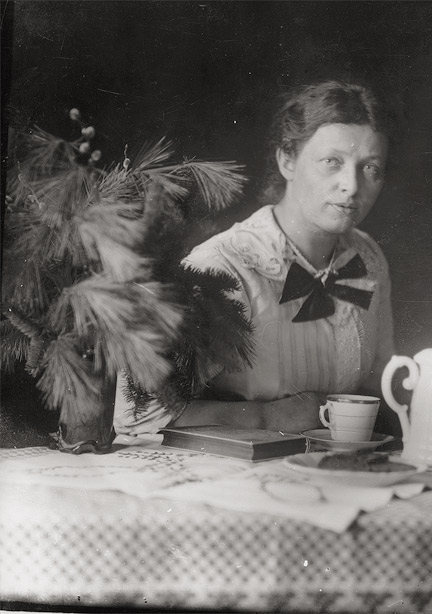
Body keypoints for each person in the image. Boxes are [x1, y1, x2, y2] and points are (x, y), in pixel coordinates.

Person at [115, 79, 396, 435]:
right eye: (332, 162)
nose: (352, 186)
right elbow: (136, 414)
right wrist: (268, 418)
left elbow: (377, 383)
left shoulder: (368, 259)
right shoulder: (227, 266)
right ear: (287, 160)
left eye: (370, 168)